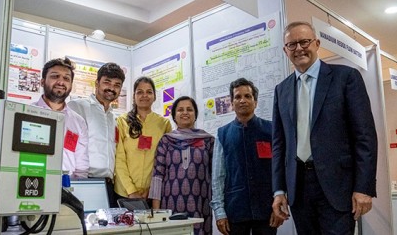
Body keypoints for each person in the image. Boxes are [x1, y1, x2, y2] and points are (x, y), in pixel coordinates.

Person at [271, 21, 378, 234]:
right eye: (292, 45)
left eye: (304, 42)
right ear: (285, 50)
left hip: (337, 187)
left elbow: (365, 136)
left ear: (317, 43)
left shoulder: (346, 78)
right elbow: (279, 145)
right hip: (299, 188)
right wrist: (279, 190)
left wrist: (363, 187)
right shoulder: (281, 90)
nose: (299, 48)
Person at [211, 78, 284, 235]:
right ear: (231, 103)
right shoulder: (222, 134)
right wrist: (219, 211)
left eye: (247, 96)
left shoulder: (271, 130)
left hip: (267, 208)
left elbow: (282, 168)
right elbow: (218, 177)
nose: (242, 100)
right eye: (237, 97)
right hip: (236, 210)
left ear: (255, 102)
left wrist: (281, 204)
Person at [149, 96, 214, 235]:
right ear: (174, 116)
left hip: (200, 204)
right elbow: (157, 177)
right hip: (170, 205)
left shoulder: (208, 141)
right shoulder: (166, 141)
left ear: (195, 115)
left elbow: (216, 176)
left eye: (189, 109)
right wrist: (156, 212)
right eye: (180, 110)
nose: (185, 112)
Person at [68, 62, 125, 207]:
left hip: (108, 185)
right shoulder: (77, 106)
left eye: (117, 85)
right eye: (107, 82)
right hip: (85, 181)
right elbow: (68, 148)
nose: (111, 88)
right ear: (97, 83)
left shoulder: (114, 117)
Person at [114, 76, 172, 202]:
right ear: (134, 96)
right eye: (140, 92)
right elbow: (119, 159)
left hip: (152, 195)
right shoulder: (122, 121)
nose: (144, 95)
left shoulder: (164, 124)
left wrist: (153, 188)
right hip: (124, 193)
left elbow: (166, 161)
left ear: (155, 96)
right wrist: (131, 190)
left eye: (149, 92)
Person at [33, 57, 89, 177]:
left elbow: (81, 166)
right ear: (42, 81)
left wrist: (76, 189)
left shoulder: (78, 122)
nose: (61, 82)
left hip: (67, 187)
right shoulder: (27, 113)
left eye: (66, 78)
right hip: (33, 183)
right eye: (55, 76)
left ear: (71, 85)